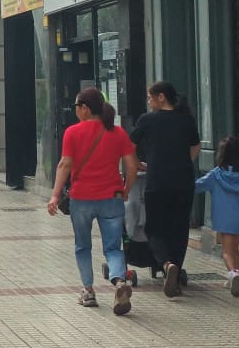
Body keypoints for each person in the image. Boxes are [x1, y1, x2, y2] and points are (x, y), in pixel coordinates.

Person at [46, 86, 139, 314]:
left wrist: (55, 196)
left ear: (85, 109)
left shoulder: (73, 133)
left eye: (77, 106)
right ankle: (119, 282)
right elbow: (132, 166)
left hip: (82, 199)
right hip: (111, 198)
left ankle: (88, 291)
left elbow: (64, 165)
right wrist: (127, 188)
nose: (75, 110)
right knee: (113, 248)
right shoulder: (118, 133)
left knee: (83, 246)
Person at [130, 82, 201, 298]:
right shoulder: (185, 119)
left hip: (157, 182)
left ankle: (166, 264)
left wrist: (139, 164)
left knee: (154, 228)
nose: (149, 102)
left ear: (161, 98)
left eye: (150, 98)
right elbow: (196, 146)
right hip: (183, 182)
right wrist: (181, 161)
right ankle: (176, 271)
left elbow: (129, 146)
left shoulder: (147, 120)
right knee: (179, 229)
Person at [197, 137, 239, 297]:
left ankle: (233, 273)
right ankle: (234, 276)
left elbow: (198, 186)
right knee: (235, 248)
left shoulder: (216, 175)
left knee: (227, 251)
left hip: (224, 218)